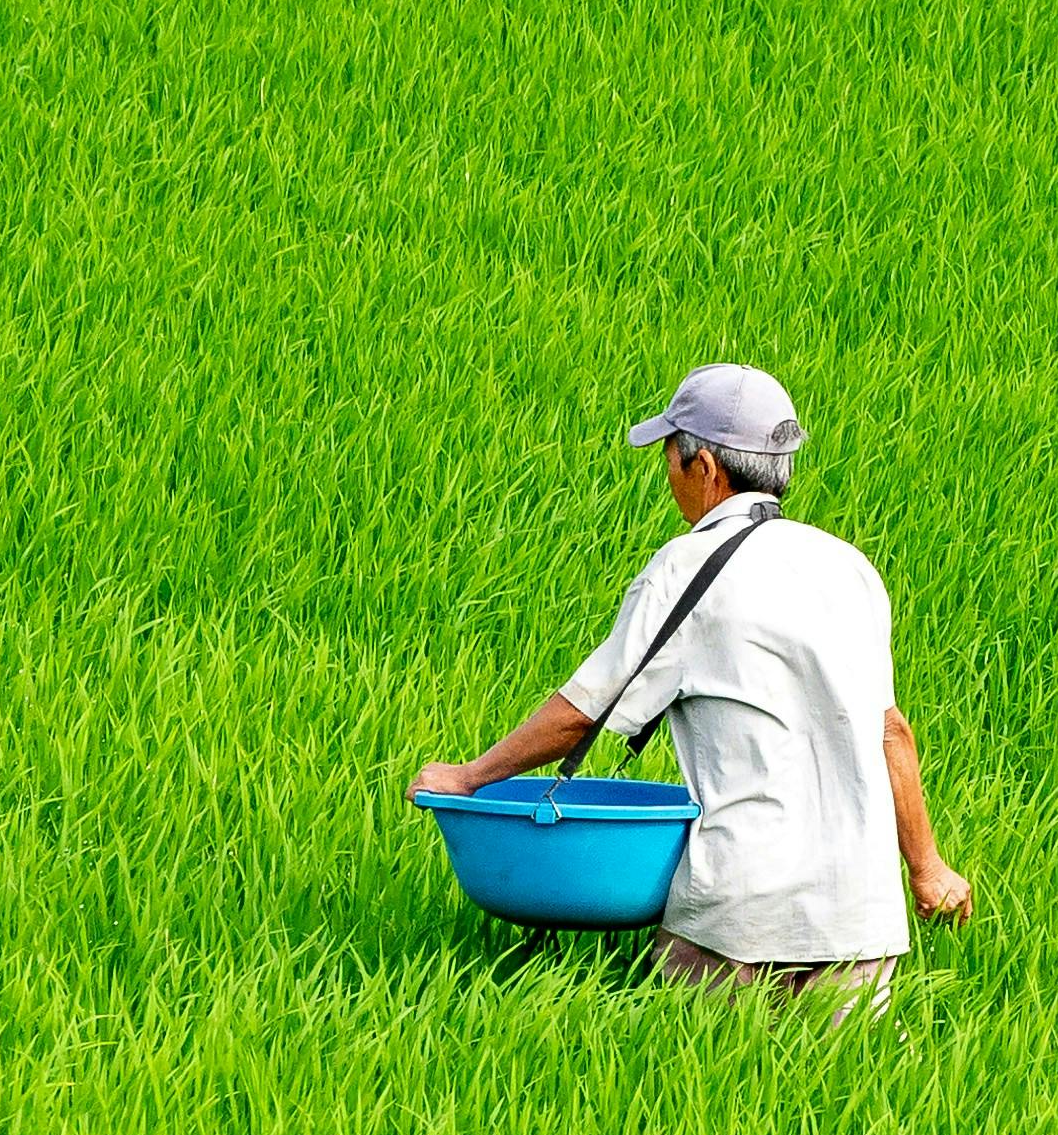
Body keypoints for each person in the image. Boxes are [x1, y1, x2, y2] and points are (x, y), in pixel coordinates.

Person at [413, 362, 972, 1005]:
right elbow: (889, 730)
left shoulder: (685, 569)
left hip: (739, 916)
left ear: (704, 468)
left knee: (701, 1086)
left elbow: (583, 712)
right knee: (846, 1097)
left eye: (671, 459)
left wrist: (469, 776)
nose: (669, 477)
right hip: (860, 919)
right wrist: (926, 869)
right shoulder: (849, 569)